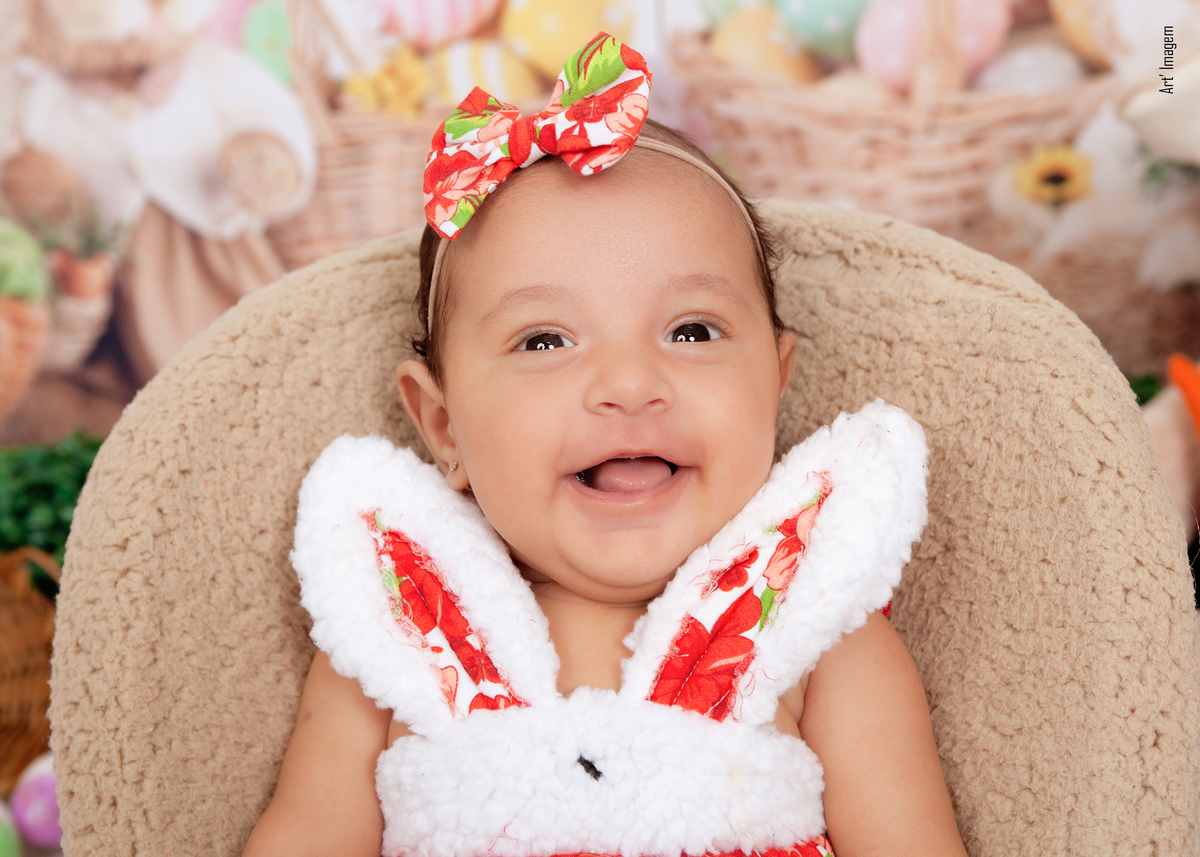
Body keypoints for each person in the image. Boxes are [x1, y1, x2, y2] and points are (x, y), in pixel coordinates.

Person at [243, 33, 967, 857]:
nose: (628, 383)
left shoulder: (818, 634)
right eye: (545, 340)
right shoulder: (398, 638)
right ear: (443, 428)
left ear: (775, 382)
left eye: (692, 330)